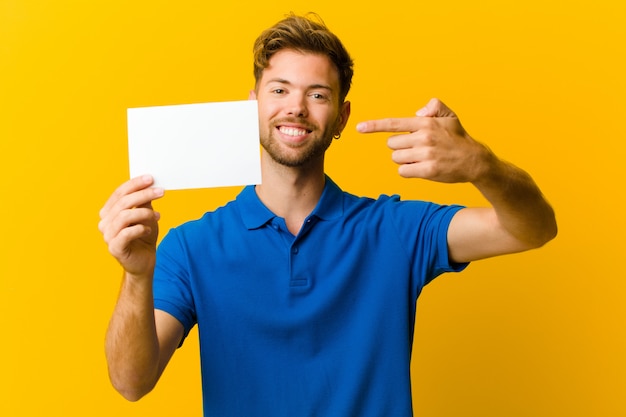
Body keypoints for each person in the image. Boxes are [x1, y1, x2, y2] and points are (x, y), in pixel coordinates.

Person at [98, 13, 557, 416]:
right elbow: (131, 383)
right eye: (279, 90)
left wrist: (482, 164)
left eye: (318, 94)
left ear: (341, 117)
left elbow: (533, 229)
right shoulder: (191, 246)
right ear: (252, 105)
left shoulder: (394, 230)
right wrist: (137, 276)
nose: (295, 107)